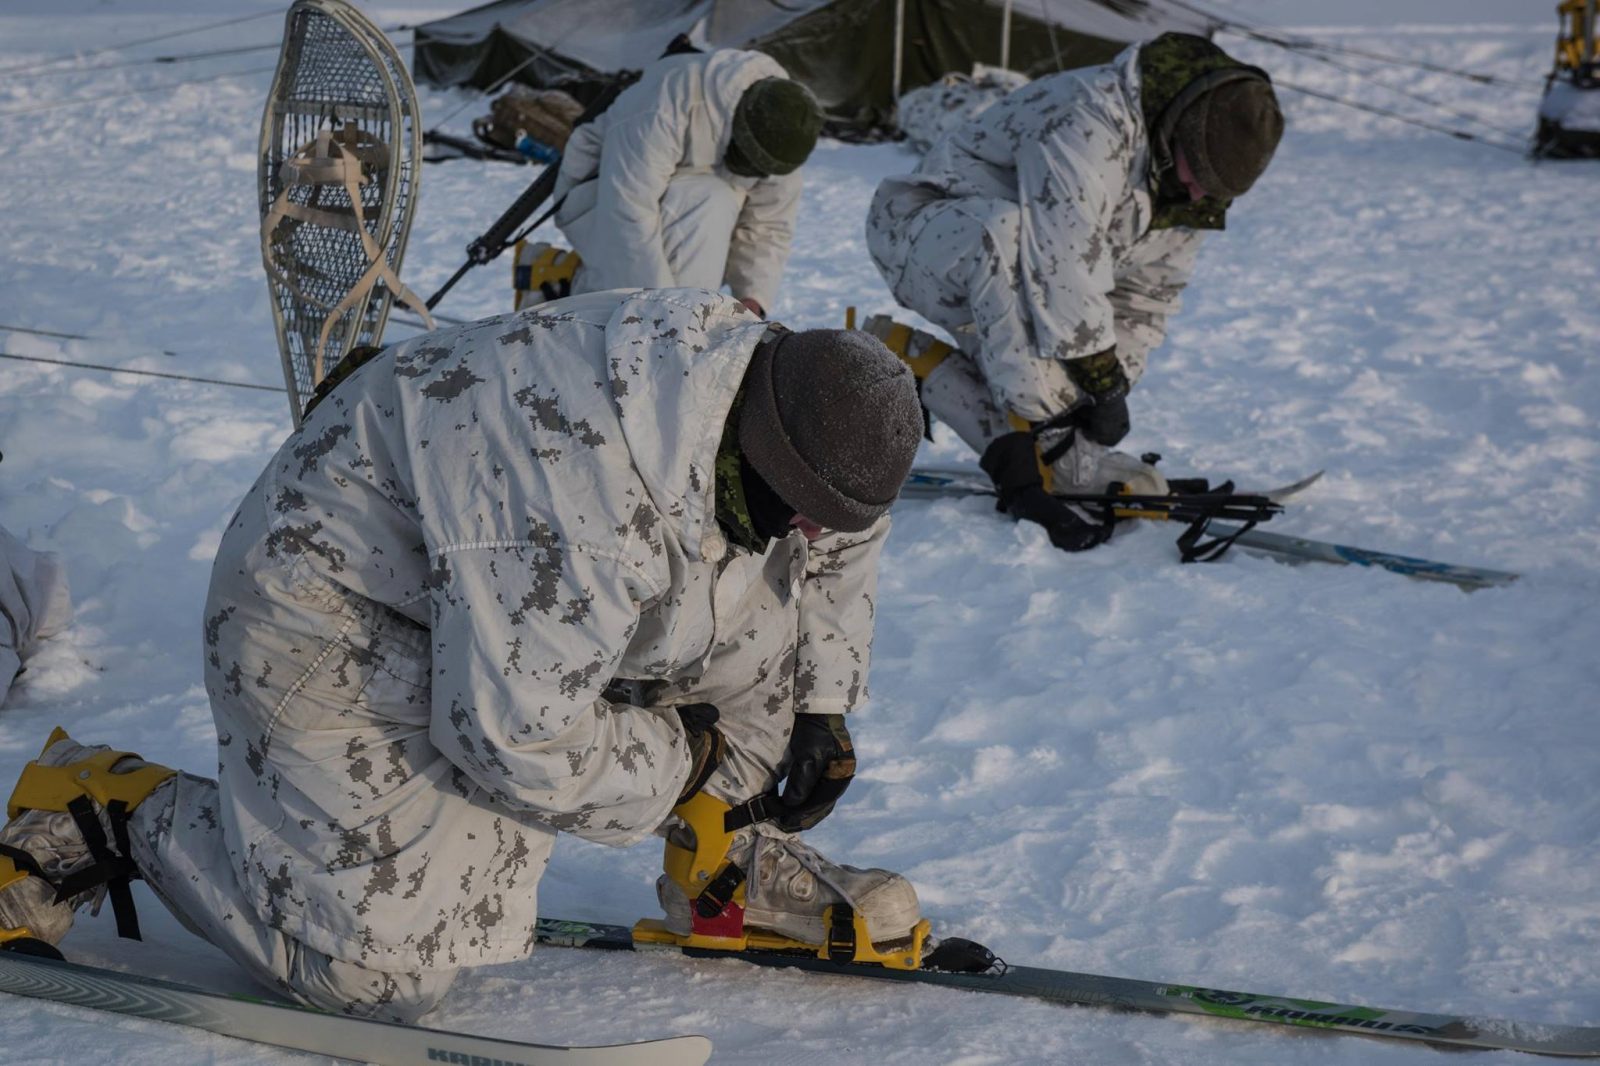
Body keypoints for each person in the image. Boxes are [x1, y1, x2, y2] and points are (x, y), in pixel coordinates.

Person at [0, 288, 926, 1021]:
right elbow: (516, 739)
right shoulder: (582, 494)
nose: (818, 533)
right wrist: (688, 761)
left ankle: (721, 865)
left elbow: (842, 530)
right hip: (333, 611)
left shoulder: (774, 390)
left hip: (506, 599)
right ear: (762, 457)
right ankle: (106, 811)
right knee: (367, 980)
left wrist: (821, 705)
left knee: (770, 604)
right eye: (803, 507)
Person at [864, 33, 1284, 551]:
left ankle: (914, 361)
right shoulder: (1090, 120)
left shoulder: (1186, 188)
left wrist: (1110, 390)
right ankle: (1047, 451)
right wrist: (1083, 396)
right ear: (1182, 132)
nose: (1199, 195)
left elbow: (1146, 300)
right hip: (922, 235)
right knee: (1011, 239)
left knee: (1060, 389)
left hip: (1017, 281)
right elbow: (1060, 266)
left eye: (1215, 191)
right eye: (1200, 176)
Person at [550, 48, 824, 318]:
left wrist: (752, 297)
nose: (755, 173)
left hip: (690, 217)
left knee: (713, 203)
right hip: (599, 199)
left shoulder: (783, 136)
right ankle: (596, 305)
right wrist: (668, 313)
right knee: (709, 199)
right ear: (739, 127)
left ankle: (683, 326)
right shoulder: (669, 100)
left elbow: (769, 224)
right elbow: (628, 210)